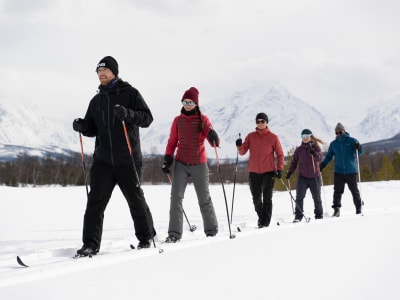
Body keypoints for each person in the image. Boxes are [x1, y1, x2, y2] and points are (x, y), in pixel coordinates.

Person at [72, 56, 156, 256]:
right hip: (103, 162)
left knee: (135, 201)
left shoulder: (130, 93)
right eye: (98, 71)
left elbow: (147, 118)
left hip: (128, 159)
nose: (101, 74)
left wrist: (128, 113)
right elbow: (92, 128)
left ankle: (146, 238)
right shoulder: (96, 100)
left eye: (105, 70)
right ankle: (90, 244)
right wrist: (82, 126)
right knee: (95, 202)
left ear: (114, 72)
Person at [161, 87, 219, 243]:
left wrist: (214, 137)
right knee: (175, 198)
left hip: (200, 164)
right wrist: (167, 158)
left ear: (196, 104)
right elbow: (172, 142)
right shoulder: (177, 121)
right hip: (181, 164)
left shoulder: (203, 120)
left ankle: (211, 230)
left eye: (190, 102)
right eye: (185, 101)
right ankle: (174, 233)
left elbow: (212, 139)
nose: (187, 104)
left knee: (204, 198)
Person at [236, 113, 284, 228]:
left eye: (263, 121)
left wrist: (280, 169)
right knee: (256, 199)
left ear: (267, 122)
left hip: (269, 171)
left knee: (267, 197)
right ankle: (262, 218)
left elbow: (280, 154)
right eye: (258, 121)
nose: (260, 123)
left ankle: (264, 223)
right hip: (254, 172)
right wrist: (239, 146)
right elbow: (242, 152)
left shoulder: (273, 137)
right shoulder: (251, 136)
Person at [320, 122, 364, 217]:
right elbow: (329, 157)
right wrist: (323, 164)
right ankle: (336, 209)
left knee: (354, 190)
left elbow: (360, 153)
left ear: (344, 131)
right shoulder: (333, 144)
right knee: (337, 191)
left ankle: (358, 208)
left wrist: (359, 147)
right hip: (338, 171)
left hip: (351, 170)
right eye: (337, 133)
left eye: (340, 132)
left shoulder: (352, 141)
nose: (338, 134)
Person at [286, 129, 324, 222]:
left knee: (317, 197)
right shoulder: (299, 150)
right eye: (303, 137)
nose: (305, 138)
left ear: (310, 136)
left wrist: (314, 153)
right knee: (299, 197)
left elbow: (319, 158)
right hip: (302, 177)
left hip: (315, 176)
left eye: (306, 136)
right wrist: (290, 171)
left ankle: (319, 216)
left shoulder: (316, 147)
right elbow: (294, 162)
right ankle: (298, 216)